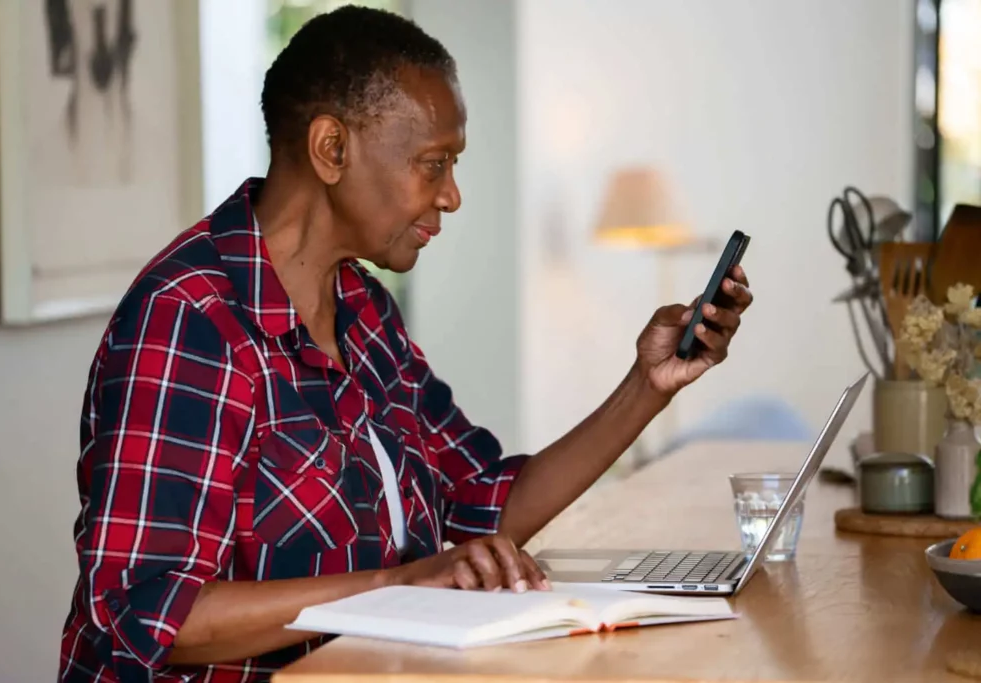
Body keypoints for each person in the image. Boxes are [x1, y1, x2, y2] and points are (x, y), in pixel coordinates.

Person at [58, 6, 753, 682]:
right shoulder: (190, 320)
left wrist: (647, 384)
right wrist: (394, 584)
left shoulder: (363, 311)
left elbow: (484, 502)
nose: (452, 195)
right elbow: (146, 614)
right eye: (433, 163)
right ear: (333, 148)